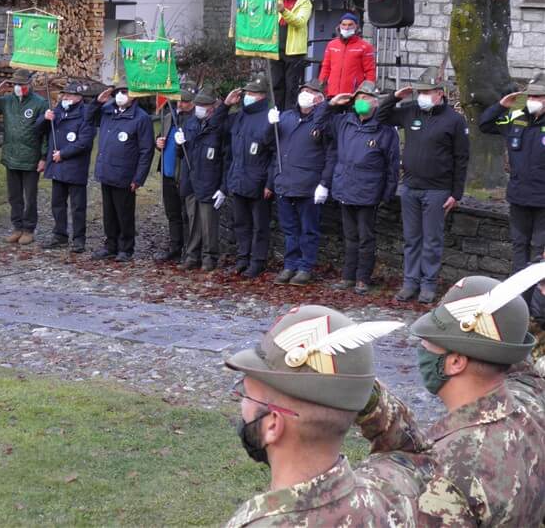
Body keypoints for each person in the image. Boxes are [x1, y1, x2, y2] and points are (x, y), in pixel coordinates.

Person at [357, 264, 545, 526]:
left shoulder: (445, 475)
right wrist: (369, 398)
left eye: (428, 340)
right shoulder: (532, 407)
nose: (421, 348)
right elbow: (522, 364)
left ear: (455, 362)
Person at [224, 304, 441, 527]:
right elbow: (412, 452)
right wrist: (353, 390)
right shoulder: (390, 495)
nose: (241, 404)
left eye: (245, 394)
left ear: (272, 425)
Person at [376, 66, 470, 304]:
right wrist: (395, 96)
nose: (422, 96)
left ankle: (428, 285)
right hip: (410, 186)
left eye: (427, 92)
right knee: (411, 238)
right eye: (420, 92)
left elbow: (461, 158)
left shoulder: (454, 120)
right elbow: (381, 116)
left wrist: (456, 193)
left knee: (432, 240)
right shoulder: (410, 111)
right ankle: (410, 283)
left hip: (437, 190)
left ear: (440, 93)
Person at [326, 81, 400, 294]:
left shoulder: (385, 130)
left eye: (366, 98)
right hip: (345, 187)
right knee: (349, 236)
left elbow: (392, 164)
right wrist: (332, 104)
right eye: (358, 98)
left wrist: (388, 192)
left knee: (365, 237)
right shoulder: (345, 122)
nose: (361, 102)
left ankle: (362, 278)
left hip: (368, 192)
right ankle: (348, 276)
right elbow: (321, 123)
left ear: (376, 103)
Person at [268, 80, 336, 286]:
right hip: (285, 182)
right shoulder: (287, 117)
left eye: (311, 91)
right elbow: (271, 147)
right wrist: (270, 125)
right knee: (289, 229)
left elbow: (331, 154)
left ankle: (305, 267)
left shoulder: (324, 122)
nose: (305, 94)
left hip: (309, 185)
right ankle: (290, 264)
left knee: (308, 230)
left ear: (320, 98)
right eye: (304, 90)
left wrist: (324, 182)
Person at [479, 72, 545, 273]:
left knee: (538, 249)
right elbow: (486, 124)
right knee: (519, 245)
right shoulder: (516, 118)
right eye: (531, 96)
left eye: (539, 97)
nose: (533, 101)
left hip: (543, 201)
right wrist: (501, 105)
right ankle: (518, 296)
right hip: (518, 196)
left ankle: (536, 299)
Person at [86, 77, 155, 262]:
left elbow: (146, 150)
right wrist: (97, 102)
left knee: (124, 213)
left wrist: (138, 178)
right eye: (118, 92)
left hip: (125, 174)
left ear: (133, 96)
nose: (121, 96)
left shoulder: (141, 118)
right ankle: (111, 245)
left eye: (125, 92)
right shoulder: (108, 111)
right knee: (108, 213)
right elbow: (87, 118)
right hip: (106, 170)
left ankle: (126, 247)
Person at [0, 69, 48, 246]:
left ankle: (29, 229)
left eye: (21, 84)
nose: (18, 87)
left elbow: (45, 133)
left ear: (30, 84)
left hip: (31, 157)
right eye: (15, 85)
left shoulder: (40, 103)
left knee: (30, 197)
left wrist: (43, 157)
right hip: (11, 156)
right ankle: (17, 227)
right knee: (14, 196)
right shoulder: (7, 101)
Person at [36, 79, 96, 253]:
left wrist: (64, 154)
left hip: (74, 166)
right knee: (57, 203)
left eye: (70, 94)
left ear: (79, 97)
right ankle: (60, 235)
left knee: (78, 206)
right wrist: (44, 119)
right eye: (64, 94)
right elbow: (38, 131)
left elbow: (84, 141)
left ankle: (79, 239)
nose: (65, 97)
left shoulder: (86, 114)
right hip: (57, 166)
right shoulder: (58, 111)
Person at [223, 76, 274, 278]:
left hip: (259, 181)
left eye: (251, 93)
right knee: (241, 223)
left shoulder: (268, 117)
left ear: (261, 96)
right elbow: (219, 126)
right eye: (246, 93)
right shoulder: (240, 115)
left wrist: (270, 182)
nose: (247, 97)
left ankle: (257, 261)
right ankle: (242, 258)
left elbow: (274, 154)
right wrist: (226, 105)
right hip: (238, 177)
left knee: (260, 225)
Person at [179, 88, 227, 272]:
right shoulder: (190, 124)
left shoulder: (219, 128)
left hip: (210, 180)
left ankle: (209, 257)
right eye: (198, 104)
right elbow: (182, 155)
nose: (199, 108)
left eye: (203, 105)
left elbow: (226, 158)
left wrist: (223, 187)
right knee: (193, 222)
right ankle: (192, 255)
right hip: (191, 180)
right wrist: (178, 144)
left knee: (208, 224)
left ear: (212, 107)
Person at [154, 85, 196, 263]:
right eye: (179, 100)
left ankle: (190, 249)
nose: (180, 104)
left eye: (185, 101)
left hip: (184, 174)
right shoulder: (169, 117)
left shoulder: (194, 121)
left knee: (187, 214)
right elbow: (159, 138)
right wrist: (158, 142)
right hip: (168, 172)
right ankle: (175, 247)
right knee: (172, 213)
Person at [268, 0, 313, 111]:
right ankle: (276, 116)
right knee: (276, 85)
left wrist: (284, 11)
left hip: (294, 52)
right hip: (275, 49)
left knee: (291, 88)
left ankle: (289, 119)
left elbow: (299, 22)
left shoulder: (305, 2)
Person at [317, 12, 376, 97]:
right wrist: (321, 88)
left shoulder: (365, 47)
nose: (346, 27)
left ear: (356, 26)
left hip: (353, 94)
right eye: (344, 24)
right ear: (339, 26)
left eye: (350, 25)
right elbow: (326, 67)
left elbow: (370, 71)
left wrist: (365, 92)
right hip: (332, 93)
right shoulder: (331, 44)